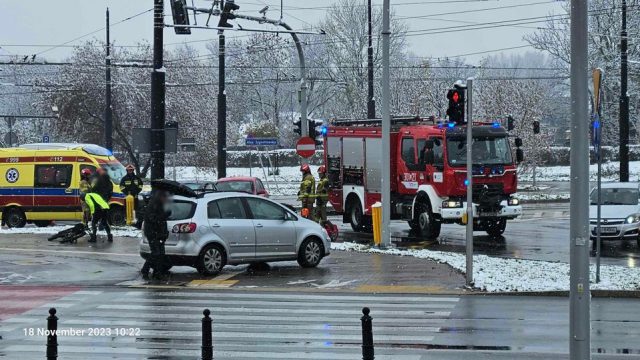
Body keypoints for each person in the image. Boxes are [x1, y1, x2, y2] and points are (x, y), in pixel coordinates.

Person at [141, 190, 171, 280]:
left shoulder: (160, 205)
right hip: (153, 233)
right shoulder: (153, 205)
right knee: (155, 253)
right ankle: (145, 269)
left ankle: (157, 273)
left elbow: (162, 219)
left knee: (160, 254)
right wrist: (164, 215)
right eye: (164, 198)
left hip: (160, 233)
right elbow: (153, 219)